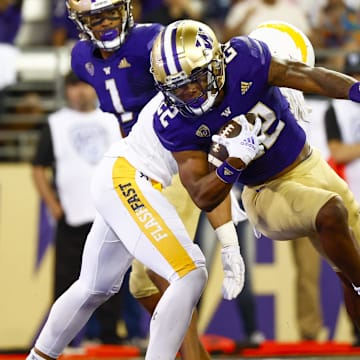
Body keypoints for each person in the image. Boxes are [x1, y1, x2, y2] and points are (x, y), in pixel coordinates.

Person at [148, 19, 360, 334]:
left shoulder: (245, 59)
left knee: (347, 268)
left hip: (312, 165)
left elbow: (306, 75)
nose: (188, 91)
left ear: (216, 63)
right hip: (264, 191)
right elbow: (202, 195)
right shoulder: (174, 123)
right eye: (176, 86)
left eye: (194, 79)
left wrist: (355, 90)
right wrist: (234, 163)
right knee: (331, 213)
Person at [32, 71, 124, 346]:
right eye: (74, 87)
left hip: (108, 214)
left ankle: (109, 337)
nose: (80, 92)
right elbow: (38, 167)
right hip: (71, 216)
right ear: (67, 91)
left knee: (111, 280)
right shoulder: (55, 123)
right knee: (65, 281)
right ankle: (63, 341)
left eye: (84, 85)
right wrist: (53, 205)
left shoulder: (111, 119)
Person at [248, 20, 325, 342]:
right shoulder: (249, 98)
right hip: (269, 192)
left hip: (308, 190)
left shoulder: (314, 106)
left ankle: (309, 332)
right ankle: (255, 331)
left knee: (323, 267)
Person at [324, 50, 360, 345]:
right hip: (352, 198)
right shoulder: (335, 109)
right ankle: (357, 331)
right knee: (353, 270)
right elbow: (338, 152)